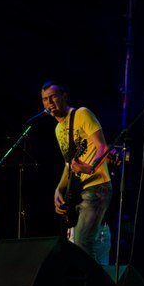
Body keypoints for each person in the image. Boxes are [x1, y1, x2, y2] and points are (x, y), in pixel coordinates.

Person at [41, 81, 112, 264]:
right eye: (45, 99)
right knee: (74, 244)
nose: (49, 102)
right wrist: (58, 189)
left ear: (64, 96)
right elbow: (68, 165)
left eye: (53, 97)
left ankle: (94, 282)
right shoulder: (58, 129)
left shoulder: (82, 114)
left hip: (97, 185)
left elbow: (103, 147)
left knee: (82, 241)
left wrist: (90, 167)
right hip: (79, 189)